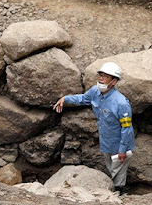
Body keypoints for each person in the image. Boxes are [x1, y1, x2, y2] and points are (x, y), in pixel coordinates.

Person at [53, 62, 135, 194]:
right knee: (110, 167)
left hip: (120, 143)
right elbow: (82, 99)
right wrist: (65, 99)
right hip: (106, 140)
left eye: (105, 77)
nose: (101, 78)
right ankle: (113, 189)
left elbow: (126, 128)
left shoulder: (121, 103)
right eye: (100, 75)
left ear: (114, 81)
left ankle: (119, 192)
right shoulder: (95, 92)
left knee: (118, 172)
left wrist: (122, 149)